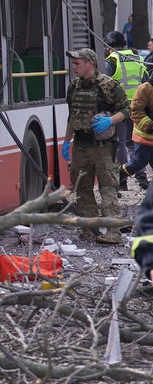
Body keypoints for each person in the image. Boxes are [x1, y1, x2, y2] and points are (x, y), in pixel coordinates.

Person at [61, 47, 130, 244]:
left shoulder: (107, 85)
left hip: (104, 147)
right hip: (81, 145)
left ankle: (113, 232)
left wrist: (110, 121)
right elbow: (72, 115)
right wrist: (67, 141)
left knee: (107, 187)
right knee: (82, 188)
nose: (73, 67)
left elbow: (126, 109)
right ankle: (90, 229)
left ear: (90, 64)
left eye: (77, 64)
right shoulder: (74, 87)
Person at [103, 31, 145, 189]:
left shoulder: (112, 60)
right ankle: (142, 177)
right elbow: (146, 82)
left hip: (119, 107)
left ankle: (122, 181)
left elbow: (104, 84)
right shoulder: (138, 59)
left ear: (109, 47)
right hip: (139, 105)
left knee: (120, 144)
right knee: (135, 142)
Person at [122, 79, 153, 189]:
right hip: (145, 138)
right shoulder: (146, 88)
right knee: (137, 163)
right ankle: (114, 180)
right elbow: (135, 111)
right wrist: (149, 126)